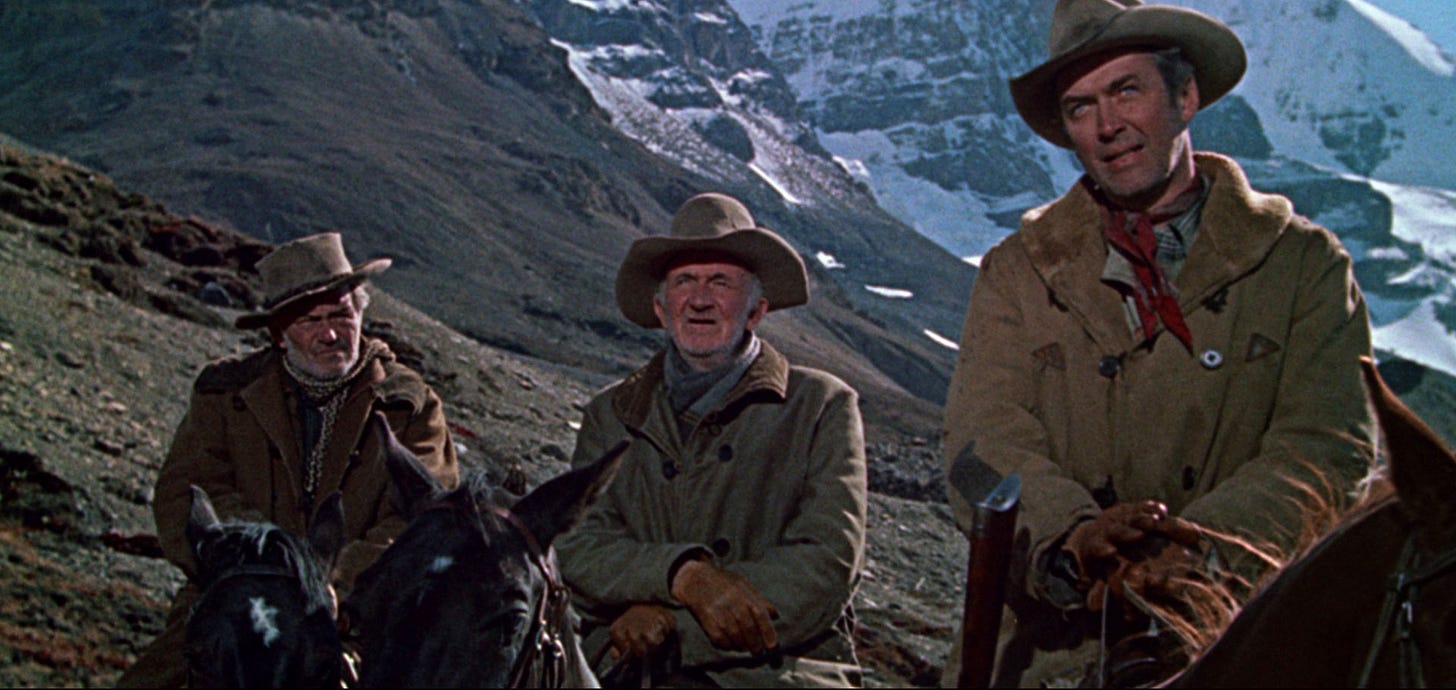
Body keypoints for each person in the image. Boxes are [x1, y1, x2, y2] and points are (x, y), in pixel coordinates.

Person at [940, 0, 1377, 686]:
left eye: (1126, 91)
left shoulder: (1303, 266)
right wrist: (1072, 539)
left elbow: (1327, 444)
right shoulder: (1018, 271)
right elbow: (983, 437)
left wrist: (1199, 555)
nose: (1107, 126)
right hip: (1048, 655)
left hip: (1241, 642)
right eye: (1081, 107)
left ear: (1186, 97)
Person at [119, 232, 460, 687]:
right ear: (279, 335)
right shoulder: (226, 394)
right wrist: (269, 567)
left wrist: (333, 582)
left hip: (362, 614)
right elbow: (185, 495)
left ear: (361, 313)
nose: (331, 333)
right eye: (309, 320)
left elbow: (424, 519)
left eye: (341, 313)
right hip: (239, 601)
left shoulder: (410, 405)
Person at [555, 192, 868, 687]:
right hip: (628, 664)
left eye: (720, 282)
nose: (700, 299)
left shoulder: (821, 406)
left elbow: (825, 563)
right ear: (661, 308)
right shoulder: (609, 415)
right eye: (684, 281)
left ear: (755, 310)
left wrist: (673, 626)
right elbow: (579, 546)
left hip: (782, 672)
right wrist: (681, 575)